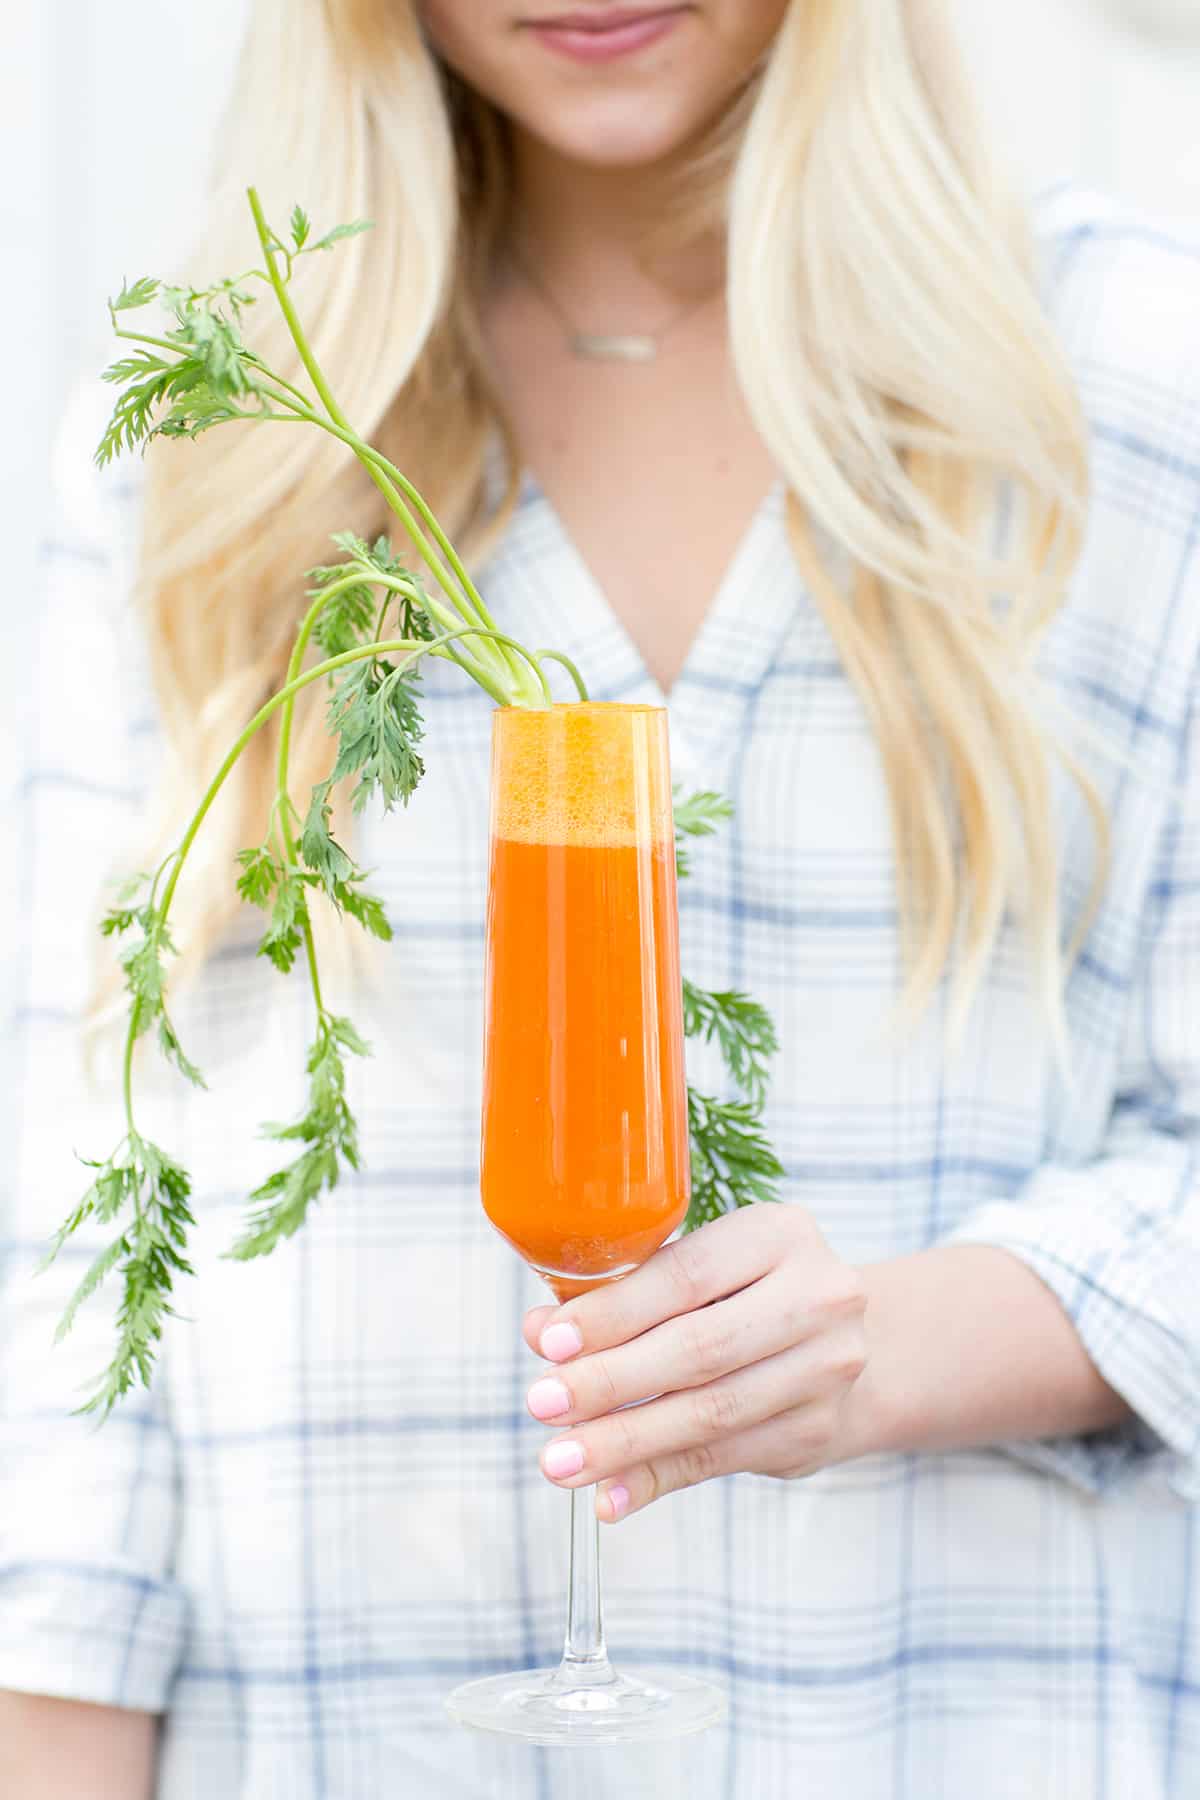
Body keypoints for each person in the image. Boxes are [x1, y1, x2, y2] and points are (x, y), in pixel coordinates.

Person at [2, 1, 1198, 1795]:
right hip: (346, 1738)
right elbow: (74, 1246)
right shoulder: (226, 433)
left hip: (938, 1724)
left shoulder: (1123, 382)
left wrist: (888, 1348)